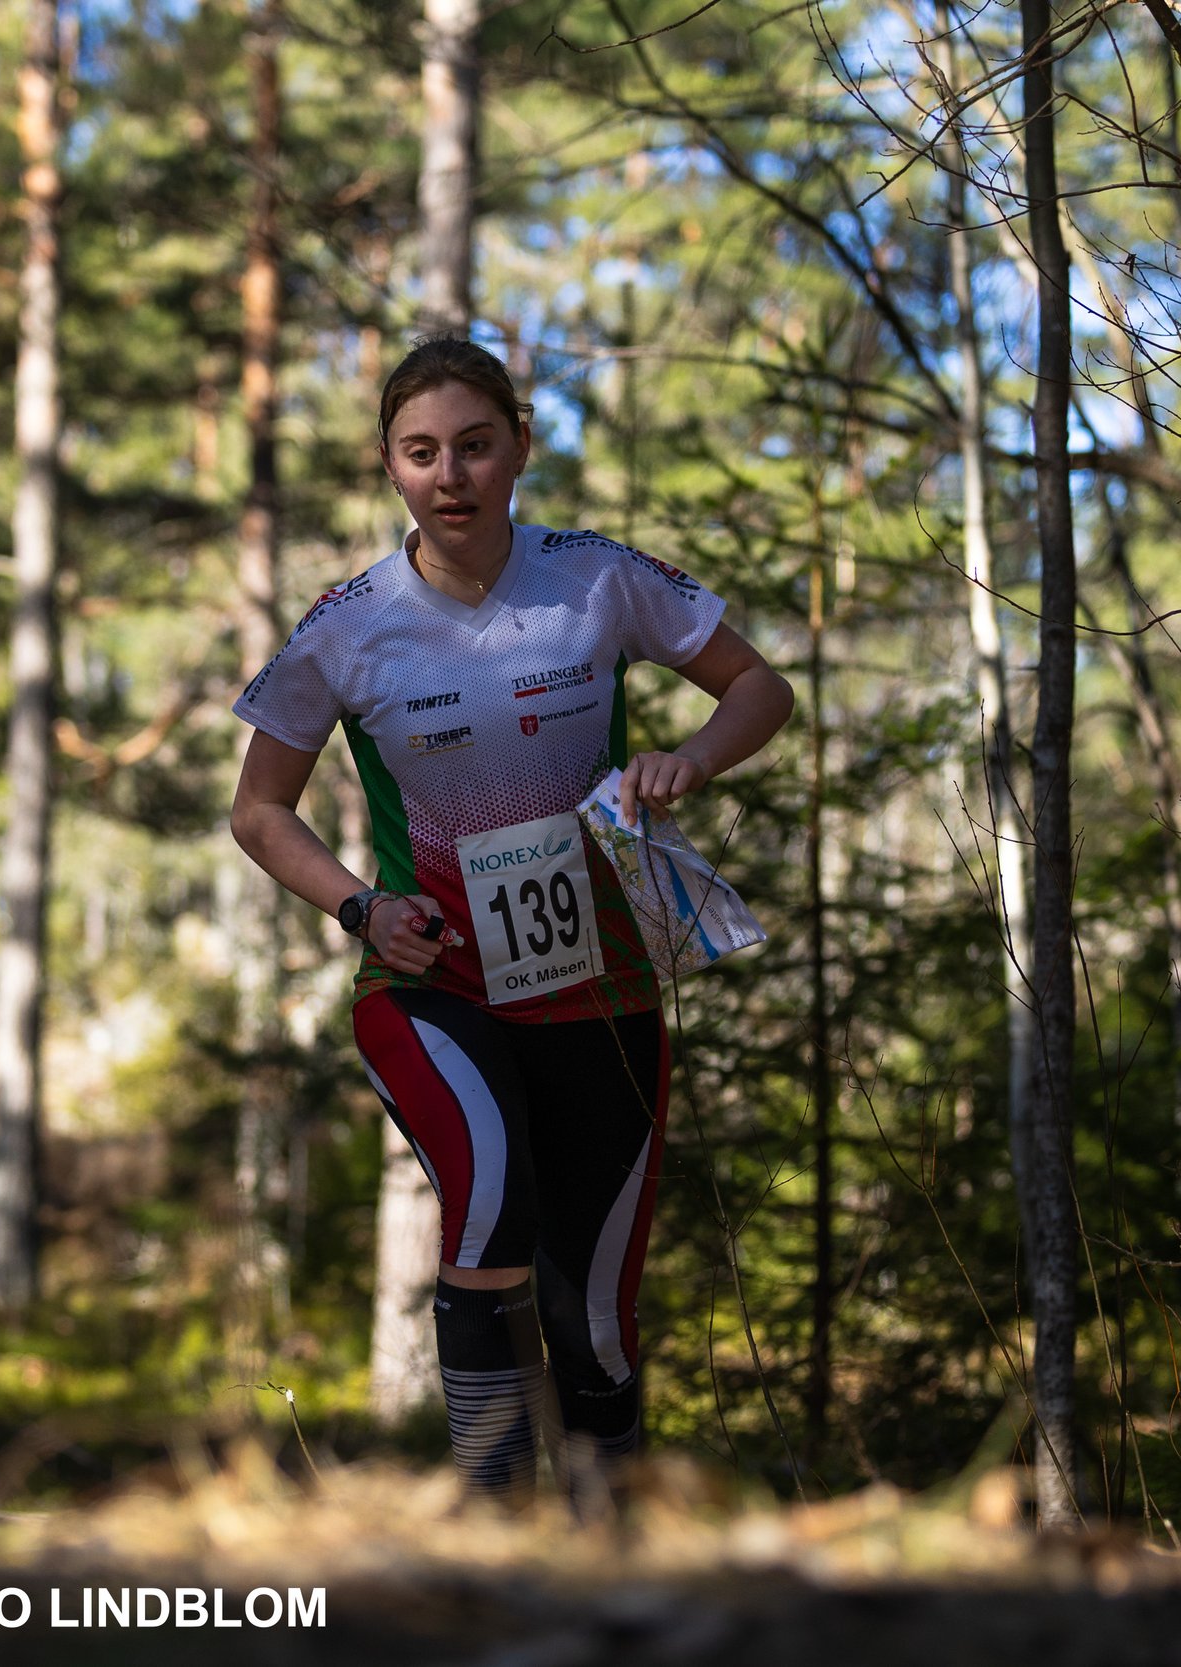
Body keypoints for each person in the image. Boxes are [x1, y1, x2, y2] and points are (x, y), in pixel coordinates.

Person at [228, 338, 794, 1509]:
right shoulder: (346, 625)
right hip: (433, 986)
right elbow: (257, 808)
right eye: (421, 451)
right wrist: (358, 906)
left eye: (475, 445)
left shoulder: (597, 577)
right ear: (389, 467)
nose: (451, 474)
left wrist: (687, 757)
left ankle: (600, 1558)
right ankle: (492, 1526)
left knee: (591, 1319)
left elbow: (761, 687)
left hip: (601, 988)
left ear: (519, 448)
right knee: (490, 1204)